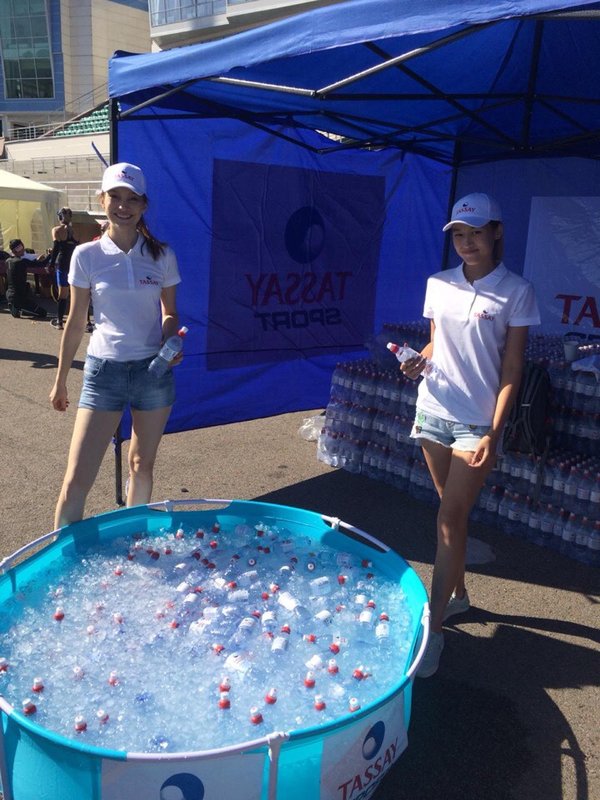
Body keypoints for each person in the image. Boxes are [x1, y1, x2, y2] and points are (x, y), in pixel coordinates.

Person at [399, 192, 540, 678]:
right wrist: (418, 360)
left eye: (476, 232)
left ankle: (434, 632)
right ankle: (458, 593)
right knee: (451, 514)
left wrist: (492, 434)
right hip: (433, 410)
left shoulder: (517, 290)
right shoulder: (438, 283)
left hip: (476, 423)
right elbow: (437, 342)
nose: (467, 242)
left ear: (497, 232)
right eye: (459, 234)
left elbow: (512, 367)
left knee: (448, 518)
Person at [49, 162, 183, 529]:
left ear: (143, 205)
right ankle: (63, 557)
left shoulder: (162, 255)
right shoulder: (86, 255)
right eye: (115, 197)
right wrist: (61, 380)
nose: (123, 206)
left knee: (141, 465)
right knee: (77, 479)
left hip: (153, 373)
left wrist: (170, 338)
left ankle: (134, 539)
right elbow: (76, 321)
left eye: (132, 198)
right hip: (103, 374)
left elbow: (170, 312)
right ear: (102, 200)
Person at [49, 206, 78, 329]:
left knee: (63, 294)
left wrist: (51, 264)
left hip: (62, 264)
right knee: (78, 294)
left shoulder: (56, 230)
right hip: (74, 264)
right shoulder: (76, 231)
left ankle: (59, 321)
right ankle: (85, 322)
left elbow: (56, 248)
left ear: (60, 217)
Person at [5, 238, 48, 319]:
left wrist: (36, 261)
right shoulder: (21, 262)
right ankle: (17, 307)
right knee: (43, 313)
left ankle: (16, 306)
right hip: (19, 297)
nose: (22, 250)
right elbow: (41, 264)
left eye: (22, 246)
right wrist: (50, 255)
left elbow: (33, 263)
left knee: (27, 288)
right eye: (19, 248)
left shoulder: (8, 261)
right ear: (14, 251)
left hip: (10, 293)